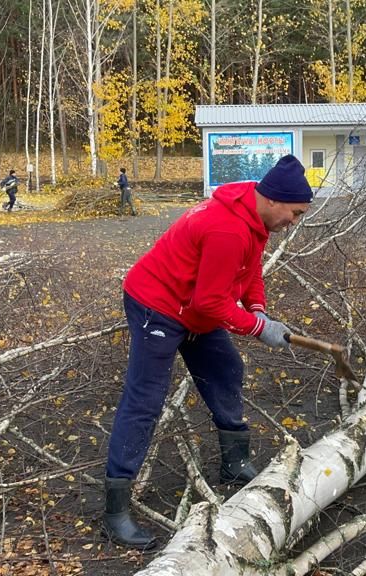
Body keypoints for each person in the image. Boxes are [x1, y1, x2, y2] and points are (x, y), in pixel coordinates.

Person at [102, 154, 312, 549]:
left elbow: (248, 272)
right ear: (273, 199)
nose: (294, 222)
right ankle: (115, 510)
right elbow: (210, 303)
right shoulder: (227, 228)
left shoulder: (255, 217)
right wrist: (257, 329)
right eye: (295, 213)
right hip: (157, 306)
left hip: (192, 306)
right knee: (145, 398)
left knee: (225, 368)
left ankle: (234, 463)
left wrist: (258, 309)